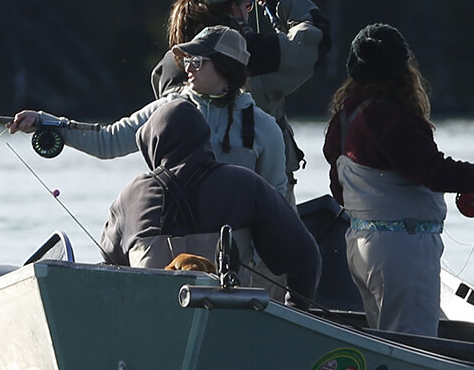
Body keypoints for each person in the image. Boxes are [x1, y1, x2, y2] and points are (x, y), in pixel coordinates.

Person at [323, 23, 474, 336]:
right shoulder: (390, 118)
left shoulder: (344, 117)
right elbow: (435, 172)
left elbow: (339, 190)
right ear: (402, 68)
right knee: (414, 346)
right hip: (401, 253)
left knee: (386, 340)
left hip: (361, 248)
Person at [11, 26, 287, 193]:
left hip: (238, 255)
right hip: (178, 245)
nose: (188, 68)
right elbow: (107, 141)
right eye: (187, 60)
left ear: (227, 67)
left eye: (198, 61)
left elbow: (276, 194)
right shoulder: (168, 108)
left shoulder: (264, 127)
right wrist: (46, 122)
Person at [99, 101, 320, 303]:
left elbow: (108, 269)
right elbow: (306, 257)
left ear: (152, 145)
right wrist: (295, 310)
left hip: (150, 328)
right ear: (204, 138)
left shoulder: (130, 196)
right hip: (231, 326)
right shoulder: (245, 184)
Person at [153, 0, 324, 192]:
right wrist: (277, 0)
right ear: (233, 9)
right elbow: (317, 37)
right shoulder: (258, 53)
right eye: (246, 5)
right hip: (263, 191)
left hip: (187, 193)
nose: (247, 12)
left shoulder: (168, 64)